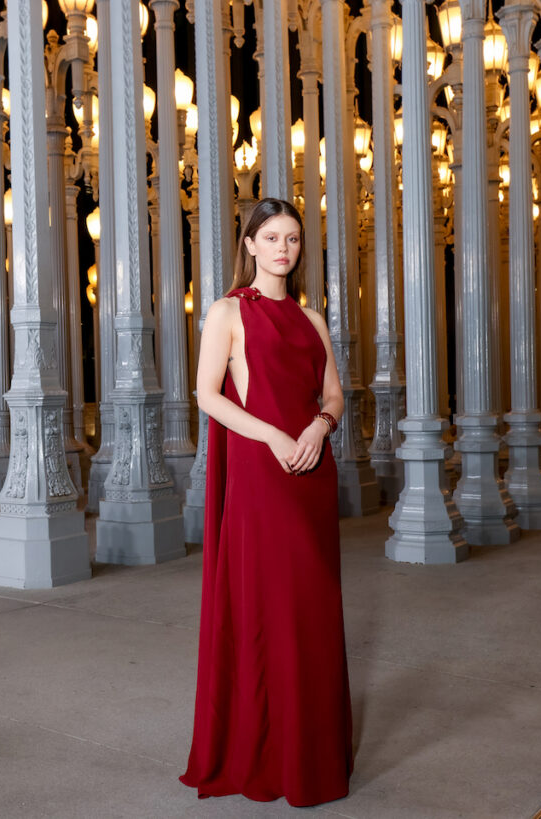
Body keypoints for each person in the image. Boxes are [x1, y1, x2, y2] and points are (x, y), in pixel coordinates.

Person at [180, 198, 354, 807]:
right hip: (263, 471)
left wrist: (318, 427)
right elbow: (206, 395)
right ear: (250, 245)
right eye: (272, 237)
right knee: (270, 611)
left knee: (312, 614)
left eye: (294, 239)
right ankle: (268, 754)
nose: (284, 248)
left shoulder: (313, 320)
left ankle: (312, 755)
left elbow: (334, 392)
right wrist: (278, 433)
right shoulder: (228, 312)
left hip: (312, 470)